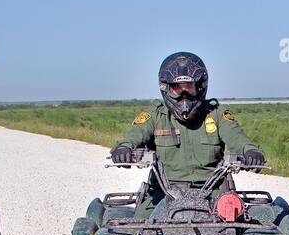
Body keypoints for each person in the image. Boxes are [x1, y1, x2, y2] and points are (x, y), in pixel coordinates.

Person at [110, 52, 265, 215]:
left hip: (213, 193)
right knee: (138, 229)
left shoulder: (217, 114)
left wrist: (250, 151)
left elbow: (238, 138)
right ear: (166, 88)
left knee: (245, 230)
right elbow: (134, 135)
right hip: (163, 193)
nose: (184, 96)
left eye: (189, 87)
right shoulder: (155, 116)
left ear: (200, 87)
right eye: (178, 89)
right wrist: (124, 149)